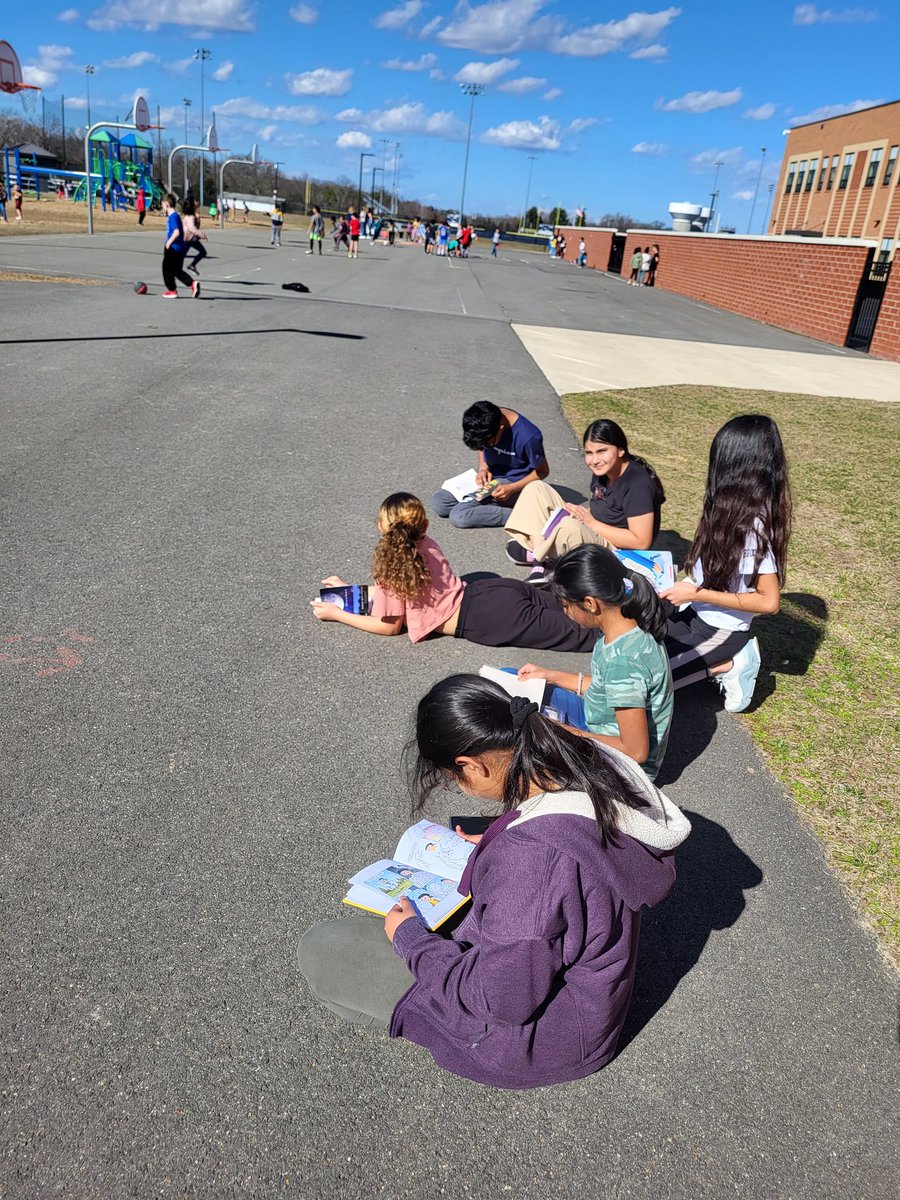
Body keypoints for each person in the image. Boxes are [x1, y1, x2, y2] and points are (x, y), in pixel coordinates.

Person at [297, 672, 690, 1088]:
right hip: (587, 1008)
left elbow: (500, 1000)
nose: (455, 784)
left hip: (537, 1042)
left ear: (471, 764)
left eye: (453, 776)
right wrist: (503, 832)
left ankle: (424, 1013)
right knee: (369, 937)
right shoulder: (574, 760)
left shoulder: (529, 866)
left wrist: (410, 939)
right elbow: (563, 855)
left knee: (323, 948)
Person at [311, 493, 599, 653]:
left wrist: (338, 613)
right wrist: (351, 589)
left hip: (486, 619)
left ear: (380, 527)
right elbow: (401, 593)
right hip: (492, 591)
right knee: (581, 608)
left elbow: (390, 625)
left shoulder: (393, 567)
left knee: (589, 636)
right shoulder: (425, 544)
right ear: (422, 525)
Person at [661, 414, 791, 713]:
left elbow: (770, 602)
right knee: (633, 649)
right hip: (693, 615)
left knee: (646, 685)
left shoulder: (755, 528)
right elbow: (704, 574)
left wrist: (697, 594)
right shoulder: (722, 509)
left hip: (721, 631)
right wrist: (679, 587)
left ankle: (731, 663)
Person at [517, 544, 673, 780]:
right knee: (516, 689)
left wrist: (561, 732)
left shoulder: (624, 662)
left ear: (590, 603)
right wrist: (550, 675)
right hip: (598, 723)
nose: (565, 611)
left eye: (566, 604)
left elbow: (635, 751)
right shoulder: (623, 621)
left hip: (621, 767)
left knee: (522, 743)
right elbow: (607, 686)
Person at [505, 419, 666, 586]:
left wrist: (591, 523)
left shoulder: (638, 484)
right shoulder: (604, 470)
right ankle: (543, 558)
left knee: (567, 527)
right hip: (594, 530)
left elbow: (640, 542)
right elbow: (605, 506)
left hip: (617, 552)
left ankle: (541, 556)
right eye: (589, 453)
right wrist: (580, 513)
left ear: (620, 450)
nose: (594, 460)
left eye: (602, 451)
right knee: (536, 489)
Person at [431, 402, 549, 530]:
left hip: (512, 482)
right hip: (491, 477)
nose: (485, 447)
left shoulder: (528, 436)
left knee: (460, 515)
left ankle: (522, 516)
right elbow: (481, 447)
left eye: (488, 444)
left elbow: (542, 472)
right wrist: (483, 468)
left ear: (501, 428)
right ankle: (486, 508)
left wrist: (512, 488)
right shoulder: (485, 419)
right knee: (440, 502)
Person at [160, 193, 198, 299]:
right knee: (176, 270)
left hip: (173, 248)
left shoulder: (172, 217)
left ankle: (172, 290)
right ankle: (193, 284)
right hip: (180, 248)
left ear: (167, 204)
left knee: (166, 269)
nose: (162, 206)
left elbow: (176, 232)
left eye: (162, 204)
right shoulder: (176, 216)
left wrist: (168, 243)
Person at [181, 198, 208, 274]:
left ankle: (191, 266)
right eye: (196, 201)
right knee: (181, 256)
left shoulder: (194, 214)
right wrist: (202, 235)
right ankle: (174, 270)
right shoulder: (190, 216)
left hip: (191, 239)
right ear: (192, 204)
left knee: (203, 252)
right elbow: (192, 228)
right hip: (188, 238)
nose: (198, 202)